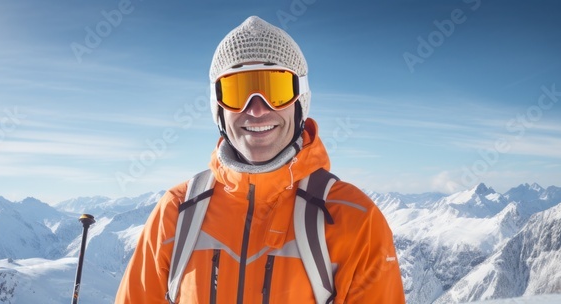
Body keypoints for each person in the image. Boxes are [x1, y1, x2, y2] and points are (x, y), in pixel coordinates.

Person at [116, 16, 405, 303]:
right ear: (218, 109)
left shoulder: (353, 219)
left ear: (300, 102)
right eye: (237, 91)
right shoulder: (177, 213)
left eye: (276, 91)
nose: (256, 110)